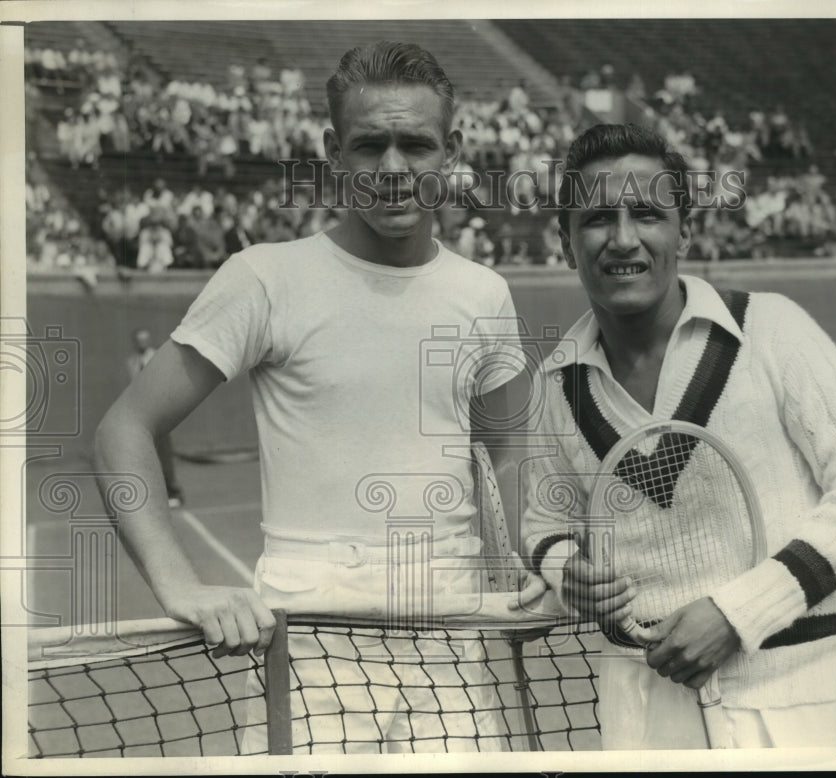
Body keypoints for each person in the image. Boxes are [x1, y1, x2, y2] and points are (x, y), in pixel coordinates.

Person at [95, 41, 528, 754]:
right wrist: (179, 585)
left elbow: (504, 455)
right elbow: (125, 431)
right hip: (312, 652)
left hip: (454, 637)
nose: (393, 170)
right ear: (334, 150)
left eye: (416, 145)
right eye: (370, 145)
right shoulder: (264, 279)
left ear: (450, 149)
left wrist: (527, 568)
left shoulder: (487, 294)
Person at [518, 124, 836, 749]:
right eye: (596, 219)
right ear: (565, 243)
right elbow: (542, 524)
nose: (623, 239)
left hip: (800, 709)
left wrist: (738, 615)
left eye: (646, 213)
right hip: (643, 716)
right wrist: (568, 569)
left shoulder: (773, 329)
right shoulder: (554, 386)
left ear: (685, 231)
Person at [124, 328, 184, 508]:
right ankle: (155, 494)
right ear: (135, 342)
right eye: (139, 340)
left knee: (164, 452)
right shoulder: (132, 362)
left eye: (145, 339)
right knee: (147, 453)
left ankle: (173, 492)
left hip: (160, 411)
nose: (143, 342)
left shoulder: (157, 356)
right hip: (144, 413)